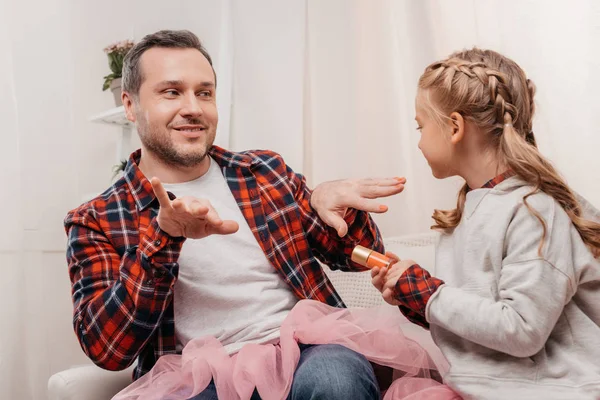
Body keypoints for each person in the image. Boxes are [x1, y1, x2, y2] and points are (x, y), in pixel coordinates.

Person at [65, 29, 414, 400]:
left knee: (335, 381)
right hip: (193, 376)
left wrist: (341, 211)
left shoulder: (264, 172)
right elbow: (108, 349)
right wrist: (162, 241)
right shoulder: (96, 218)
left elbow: (358, 257)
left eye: (204, 92)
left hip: (308, 350)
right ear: (130, 105)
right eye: (171, 92)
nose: (193, 108)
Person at [372, 48, 600, 400]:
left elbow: (522, 329)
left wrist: (431, 293)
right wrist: (418, 299)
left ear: (455, 127)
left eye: (420, 125)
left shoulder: (534, 211)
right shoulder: (471, 211)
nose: (417, 141)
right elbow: (483, 325)